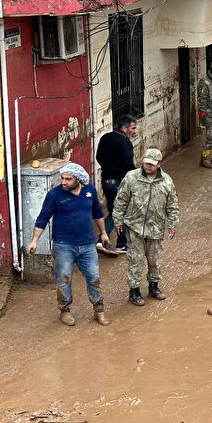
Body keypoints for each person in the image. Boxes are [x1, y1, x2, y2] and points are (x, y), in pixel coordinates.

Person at [27, 162, 110, 327]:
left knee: (94, 278)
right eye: (62, 178)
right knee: (64, 279)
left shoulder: (89, 191)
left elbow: (97, 213)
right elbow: (43, 218)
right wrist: (34, 241)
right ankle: (64, 311)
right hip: (63, 245)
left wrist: (103, 232)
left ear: (78, 179)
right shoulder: (54, 194)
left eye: (68, 179)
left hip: (87, 245)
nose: (63, 182)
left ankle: (99, 310)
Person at [112, 148, 179, 307]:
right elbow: (121, 200)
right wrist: (117, 220)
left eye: (152, 164)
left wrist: (172, 224)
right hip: (134, 227)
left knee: (154, 260)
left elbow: (172, 205)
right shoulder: (131, 177)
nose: (148, 166)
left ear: (159, 164)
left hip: (155, 228)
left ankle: (154, 287)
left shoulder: (166, 181)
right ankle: (134, 290)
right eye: (146, 163)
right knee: (135, 260)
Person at [95, 113, 137, 253]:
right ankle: (110, 241)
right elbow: (128, 164)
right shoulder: (125, 142)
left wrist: (109, 168)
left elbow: (98, 157)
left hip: (106, 182)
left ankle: (116, 242)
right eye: (133, 128)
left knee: (115, 211)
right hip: (119, 183)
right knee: (119, 213)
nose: (135, 131)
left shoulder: (105, 138)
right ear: (124, 128)